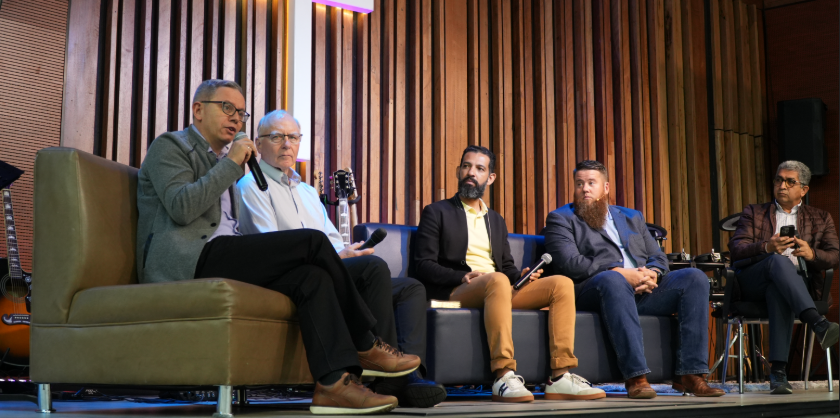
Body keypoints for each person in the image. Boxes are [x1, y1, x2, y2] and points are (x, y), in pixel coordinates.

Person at [136, 79, 419, 415]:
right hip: (189, 260)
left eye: (241, 113)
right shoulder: (172, 147)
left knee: (311, 277)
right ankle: (365, 342)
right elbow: (182, 208)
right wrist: (231, 165)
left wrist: (229, 162)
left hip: (225, 255)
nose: (236, 119)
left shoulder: (228, 159)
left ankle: (333, 385)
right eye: (227, 108)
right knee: (312, 241)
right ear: (198, 110)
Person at [237, 110, 446, 407]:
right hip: (291, 278)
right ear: (259, 143)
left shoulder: (309, 192)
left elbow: (334, 242)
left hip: (328, 268)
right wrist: (338, 258)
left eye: (293, 137)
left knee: (410, 287)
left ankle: (406, 375)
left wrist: (348, 252)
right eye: (276, 137)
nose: (286, 144)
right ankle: (392, 379)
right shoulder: (252, 188)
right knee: (373, 269)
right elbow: (271, 249)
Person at [412, 146, 606, 403]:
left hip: (497, 288)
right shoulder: (436, 212)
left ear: (490, 178)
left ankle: (561, 376)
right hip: (454, 294)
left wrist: (522, 275)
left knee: (560, 284)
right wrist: (461, 277)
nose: (471, 173)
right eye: (467, 167)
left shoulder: (495, 220)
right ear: (459, 171)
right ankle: (504, 374)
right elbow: (423, 264)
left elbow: (505, 268)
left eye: (480, 169)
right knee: (497, 280)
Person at [543, 160, 724, 399]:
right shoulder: (561, 218)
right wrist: (618, 271)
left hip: (642, 288)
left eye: (591, 183)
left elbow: (658, 257)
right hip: (596, 289)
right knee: (613, 280)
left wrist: (652, 273)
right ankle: (636, 377)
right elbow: (571, 264)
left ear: (605, 187)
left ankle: (691, 375)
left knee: (694, 277)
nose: (584, 189)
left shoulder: (632, 217)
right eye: (579, 184)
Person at [729, 160, 839, 394]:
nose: (782, 185)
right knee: (778, 261)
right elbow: (737, 250)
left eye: (790, 182)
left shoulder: (820, 217)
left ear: (804, 190)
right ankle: (818, 323)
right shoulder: (754, 212)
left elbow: (834, 257)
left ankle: (778, 374)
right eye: (779, 179)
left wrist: (811, 253)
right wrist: (767, 247)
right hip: (754, 280)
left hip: (796, 284)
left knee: (779, 288)